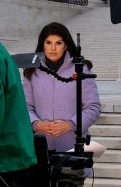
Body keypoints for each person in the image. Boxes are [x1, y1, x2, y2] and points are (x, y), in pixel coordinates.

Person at [21, 22, 101, 154]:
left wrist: (71, 124)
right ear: (42, 45)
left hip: (73, 146)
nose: (53, 48)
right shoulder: (32, 71)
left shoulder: (81, 69)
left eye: (58, 43)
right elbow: (25, 107)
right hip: (39, 147)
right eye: (48, 43)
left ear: (66, 45)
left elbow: (93, 107)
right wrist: (36, 124)